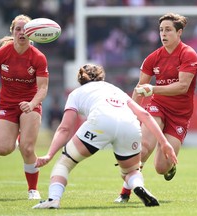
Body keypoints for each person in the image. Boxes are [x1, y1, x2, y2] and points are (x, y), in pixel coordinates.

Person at [32, 63, 178, 209]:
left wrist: (50, 154)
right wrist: (164, 143)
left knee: (65, 162)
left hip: (101, 121)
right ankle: (138, 186)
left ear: (80, 80)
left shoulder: (76, 93)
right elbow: (144, 114)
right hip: (129, 123)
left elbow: (64, 128)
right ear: (102, 77)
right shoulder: (114, 89)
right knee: (132, 171)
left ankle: (53, 200)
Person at [114, 13, 197, 203]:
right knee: (143, 148)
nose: (164, 34)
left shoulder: (188, 54)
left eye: (168, 30)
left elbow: (182, 87)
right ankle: (125, 193)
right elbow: (139, 88)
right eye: (161, 30)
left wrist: (153, 88)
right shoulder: (153, 58)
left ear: (179, 32)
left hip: (180, 115)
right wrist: (131, 116)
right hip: (157, 106)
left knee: (162, 167)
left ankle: (170, 166)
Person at [0, 14, 49, 200]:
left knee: (28, 149)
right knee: (2, 149)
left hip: (30, 105)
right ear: (12, 32)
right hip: (7, 104)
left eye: (25, 29)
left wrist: (32, 104)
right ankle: (18, 140)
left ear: (32, 33)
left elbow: (43, 88)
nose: (22, 33)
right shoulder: (1, 54)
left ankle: (33, 189)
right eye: (18, 29)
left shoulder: (38, 57)